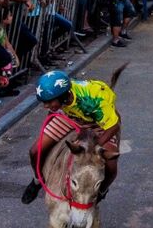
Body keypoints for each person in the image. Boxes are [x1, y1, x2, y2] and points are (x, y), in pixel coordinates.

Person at [21, 69, 122, 205]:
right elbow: (52, 111)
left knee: (111, 167)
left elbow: (114, 126)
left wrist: (95, 146)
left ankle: (101, 192)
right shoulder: (61, 95)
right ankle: (37, 180)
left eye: (49, 102)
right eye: (44, 102)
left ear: (64, 96)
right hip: (72, 117)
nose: (45, 106)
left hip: (100, 123)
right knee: (35, 151)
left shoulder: (95, 99)